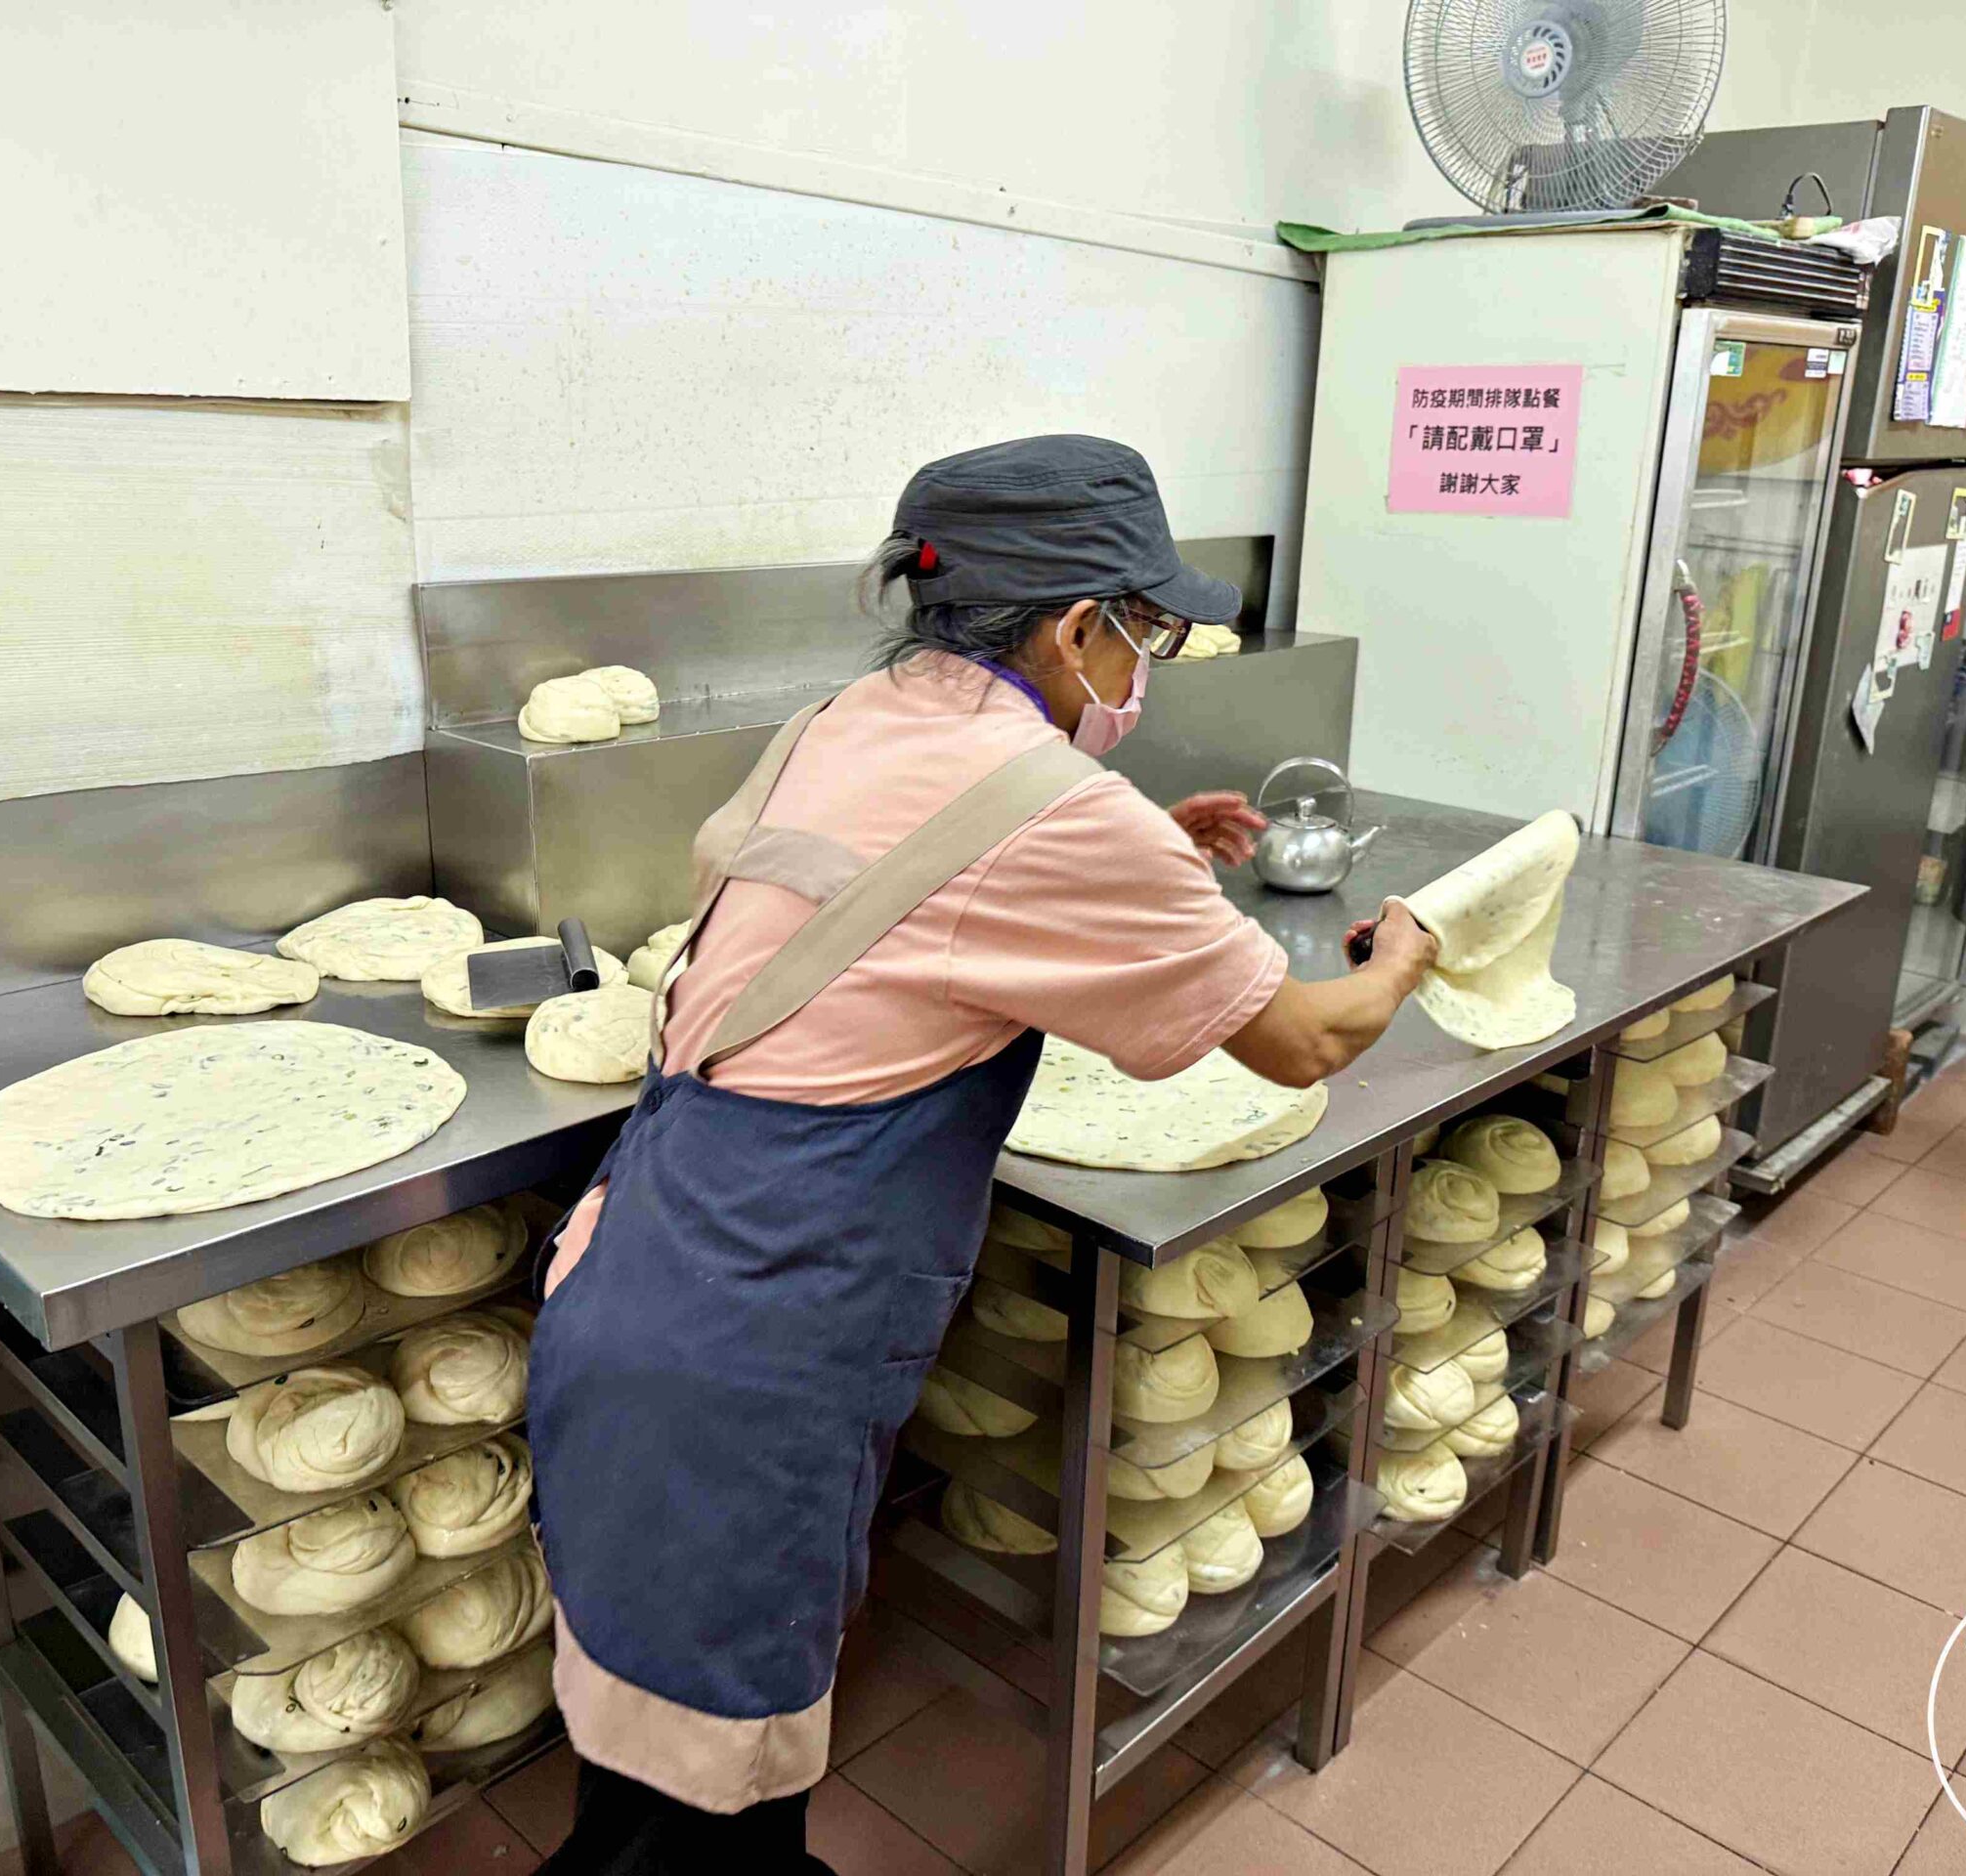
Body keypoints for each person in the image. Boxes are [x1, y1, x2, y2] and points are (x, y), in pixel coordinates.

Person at [528, 435, 1435, 1872]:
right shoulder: (1065, 812)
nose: (1152, 664)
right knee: (688, 1786)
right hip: (758, 1348)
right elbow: (1308, 1037)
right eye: (1149, 631)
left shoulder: (845, 718)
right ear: (1078, 627)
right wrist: (1405, 963)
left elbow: (927, 876)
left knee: (663, 1747)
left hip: (636, 1275)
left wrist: (1145, 856)